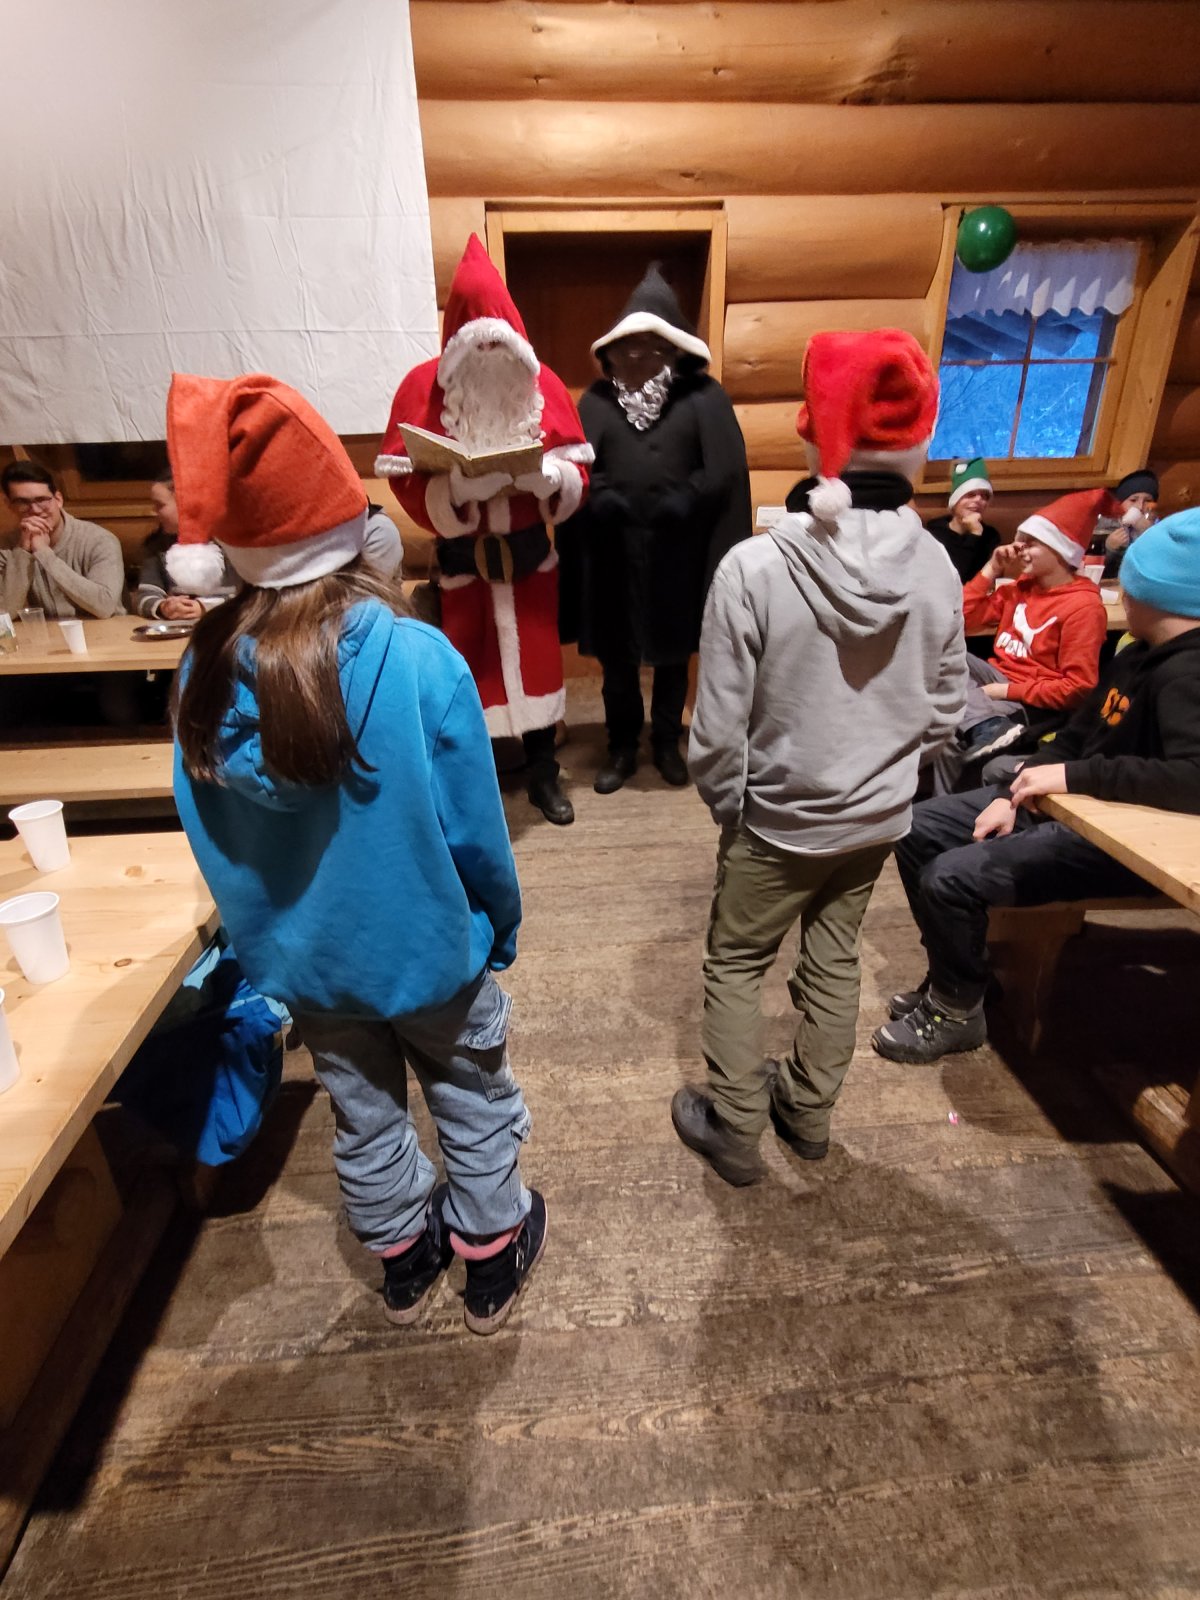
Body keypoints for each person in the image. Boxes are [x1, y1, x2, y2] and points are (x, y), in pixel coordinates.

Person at [167, 371, 545, 1335]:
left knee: (361, 1109)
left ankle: (404, 1262)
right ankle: (489, 1263)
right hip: (431, 955)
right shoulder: (417, 658)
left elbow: (212, 837)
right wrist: (497, 926)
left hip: (311, 968)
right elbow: (476, 830)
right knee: (471, 1098)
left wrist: (269, 944)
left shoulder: (200, 672)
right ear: (349, 527)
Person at [671, 329, 967, 1186]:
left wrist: (732, 808)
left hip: (776, 822)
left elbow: (714, 734)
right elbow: (946, 711)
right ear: (915, 451)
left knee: (736, 963)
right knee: (834, 957)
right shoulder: (938, 566)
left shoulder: (753, 567)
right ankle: (807, 1116)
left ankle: (736, 1128)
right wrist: (886, 773)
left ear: (814, 440)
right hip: (877, 822)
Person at [873, 506, 1200, 1065]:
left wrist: (1073, 776)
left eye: (1133, 583)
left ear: (1157, 595)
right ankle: (962, 979)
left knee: (950, 877)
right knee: (916, 828)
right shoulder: (1139, 655)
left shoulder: (1188, 675)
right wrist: (1015, 791)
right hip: (1077, 807)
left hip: (1127, 841)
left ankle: (955, 1013)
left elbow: (1192, 779)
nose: (1123, 594)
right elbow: (1076, 737)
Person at [376, 235, 592, 826]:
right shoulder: (425, 388)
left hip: (529, 566)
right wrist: (455, 493)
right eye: (479, 344)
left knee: (538, 672)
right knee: (473, 679)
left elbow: (579, 473)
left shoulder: (543, 386)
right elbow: (405, 480)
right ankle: (483, 784)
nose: (490, 353)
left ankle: (544, 774)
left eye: (499, 344)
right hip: (465, 569)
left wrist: (553, 480)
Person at [557, 264, 751, 793]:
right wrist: (601, 496)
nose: (636, 358)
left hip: (678, 555)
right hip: (611, 555)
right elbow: (575, 466)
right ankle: (622, 745)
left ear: (673, 349)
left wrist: (687, 498)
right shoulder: (597, 400)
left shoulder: (704, 398)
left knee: (672, 654)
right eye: (627, 349)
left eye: (649, 349)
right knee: (617, 659)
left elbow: (724, 471)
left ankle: (665, 741)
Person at [929, 488, 1115, 792]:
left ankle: (952, 805)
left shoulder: (1083, 607)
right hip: (1000, 677)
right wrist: (991, 569)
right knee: (939, 650)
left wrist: (1004, 691)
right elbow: (957, 618)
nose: (1021, 551)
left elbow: (1078, 688)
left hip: (1034, 701)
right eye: (1021, 542)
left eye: (1031, 544)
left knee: (949, 726)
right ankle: (984, 727)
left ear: (1060, 550)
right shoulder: (1020, 588)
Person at [1, 460, 126, 619]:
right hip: (47, 634)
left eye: (41, 500)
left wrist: (44, 553)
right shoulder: (5, 547)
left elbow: (104, 606)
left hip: (107, 631)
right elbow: (3, 615)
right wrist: (23, 553)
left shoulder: (99, 540)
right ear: (9, 505)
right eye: (22, 502)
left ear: (58, 499)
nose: (35, 510)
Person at [135, 471, 239, 620]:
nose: (154, 512)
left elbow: (248, 597)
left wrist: (205, 607)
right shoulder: (158, 546)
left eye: (160, 505)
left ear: (186, 504)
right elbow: (144, 595)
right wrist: (163, 606)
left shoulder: (233, 545)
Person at [923, 457, 1001, 583]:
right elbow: (956, 578)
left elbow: (983, 579)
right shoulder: (934, 534)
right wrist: (974, 535)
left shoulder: (990, 536)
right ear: (955, 501)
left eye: (984, 496)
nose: (978, 500)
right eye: (970, 495)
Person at [1090, 468, 1158, 578]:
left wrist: (1147, 534)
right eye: (1133, 500)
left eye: (1148, 501)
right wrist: (1110, 549)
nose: (1140, 507)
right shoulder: (1103, 526)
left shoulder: (1160, 529)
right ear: (1120, 503)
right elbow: (1091, 568)